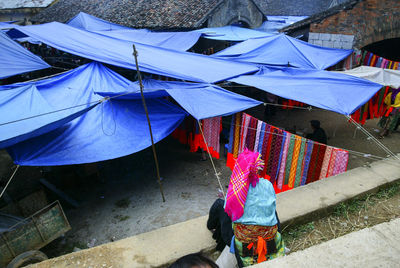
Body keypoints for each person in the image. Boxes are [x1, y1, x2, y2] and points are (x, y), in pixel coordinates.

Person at [224, 149, 285, 267]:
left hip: (245, 243)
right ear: (256, 168)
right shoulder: (267, 184)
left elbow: (229, 211)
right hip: (270, 238)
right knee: (273, 213)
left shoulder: (235, 191)